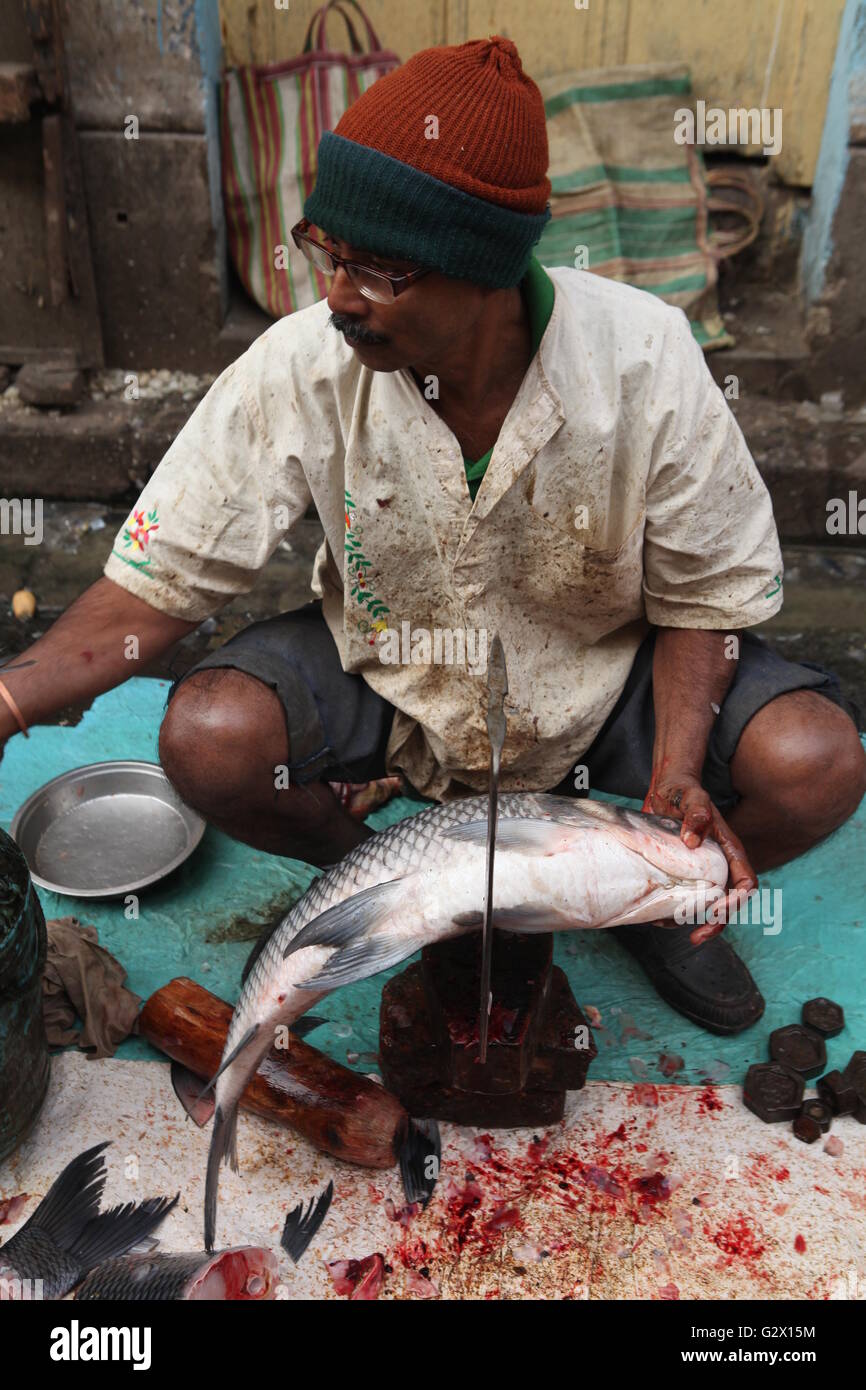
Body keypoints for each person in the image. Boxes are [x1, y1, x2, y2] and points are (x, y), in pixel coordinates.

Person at [2, 38, 863, 1036]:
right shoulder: (303, 363)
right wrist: (13, 698)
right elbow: (156, 588)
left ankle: (653, 896)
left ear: (487, 274)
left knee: (816, 759)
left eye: (383, 270)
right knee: (211, 735)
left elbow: (706, 602)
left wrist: (674, 777)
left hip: (605, 681)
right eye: (326, 250)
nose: (337, 294)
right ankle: (390, 897)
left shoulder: (640, 358)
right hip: (395, 678)